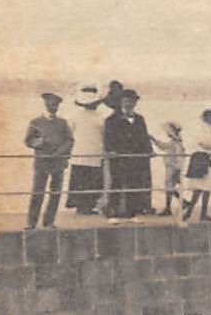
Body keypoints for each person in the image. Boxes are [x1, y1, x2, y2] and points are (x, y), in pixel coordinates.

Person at [102, 88, 154, 219]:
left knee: (134, 185)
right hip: (118, 158)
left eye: (131, 101)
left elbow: (144, 137)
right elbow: (107, 139)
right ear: (120, 102)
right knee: (116, 184)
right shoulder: (111, 120)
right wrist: (110, 151)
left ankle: (131, 214)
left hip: (135, 159)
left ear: (135, 103)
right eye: (125, 101)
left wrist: (149, 150)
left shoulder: (140, 119)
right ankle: (112, 215)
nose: (128, 104)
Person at [24, 91, 72, 230]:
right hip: (42, 162)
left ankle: (49, 221)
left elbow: (69, 140)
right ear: (46, 104)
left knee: (55, 193)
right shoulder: (35, 122)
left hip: (58, 162)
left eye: (56, 104)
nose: (54, 106)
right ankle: (31, 222)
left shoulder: (62, 123)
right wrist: (39, 142)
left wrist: (59, 152)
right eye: (52, 103)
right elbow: (28, 140)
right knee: (38, 191)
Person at [66, 85, 106, 216]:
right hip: (80, 153)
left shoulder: (101, 117)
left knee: (93, 181)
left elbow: (105, 135)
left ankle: (89, 206)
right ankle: (81, 206)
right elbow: (68, 135)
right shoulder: (75, 117)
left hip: (96, 153)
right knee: (81, 181)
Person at [149, 121, 184, 217]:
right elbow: (164, 146)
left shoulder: (176, 142)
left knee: (169, 187)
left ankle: (168, 208)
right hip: (171, 167)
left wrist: (177, 168)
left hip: (173, 167)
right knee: (170, 187)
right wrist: (154, 140)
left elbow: (178, 156)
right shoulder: (174, 141)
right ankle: (184, 203)